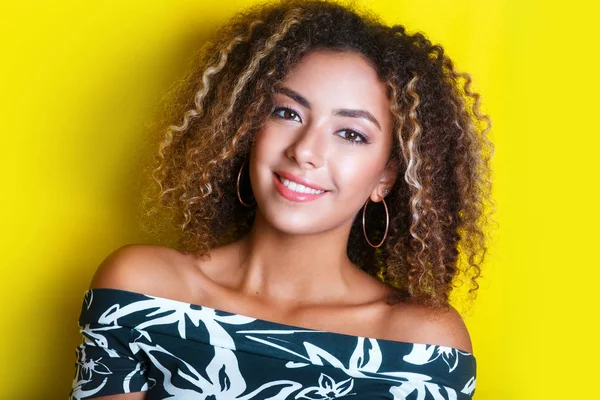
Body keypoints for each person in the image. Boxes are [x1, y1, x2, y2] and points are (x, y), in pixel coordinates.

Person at [69, 0, 493, 398]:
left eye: (351, 134)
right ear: (246, 127)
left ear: (385, 177)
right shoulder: (142, 290)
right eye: (287, 113)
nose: (305, 151)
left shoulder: (421, 345)